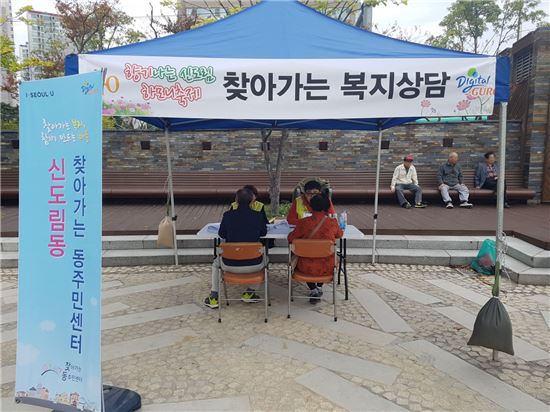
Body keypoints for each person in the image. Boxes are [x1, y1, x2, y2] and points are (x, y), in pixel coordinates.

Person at [204, 188, 267, 308]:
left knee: (215, 264)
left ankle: (214, 297)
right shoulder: (258, 216)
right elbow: (263, 233)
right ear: (252, 201)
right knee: (266, 260)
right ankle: (250, 292)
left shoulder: (227, 216)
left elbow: (222, 234)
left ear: (236, 201)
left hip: (229, 264)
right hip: (255, 263)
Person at [287, 194, 343, 304]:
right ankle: (319, 287)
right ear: (327, 207)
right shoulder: (332, 222)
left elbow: (291, 238)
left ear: (311, 206)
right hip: (327, 267)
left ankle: (313, 289)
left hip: (305, 267)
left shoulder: (303, 222)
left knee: (304, 258)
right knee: (327, 258)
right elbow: (339, 235)